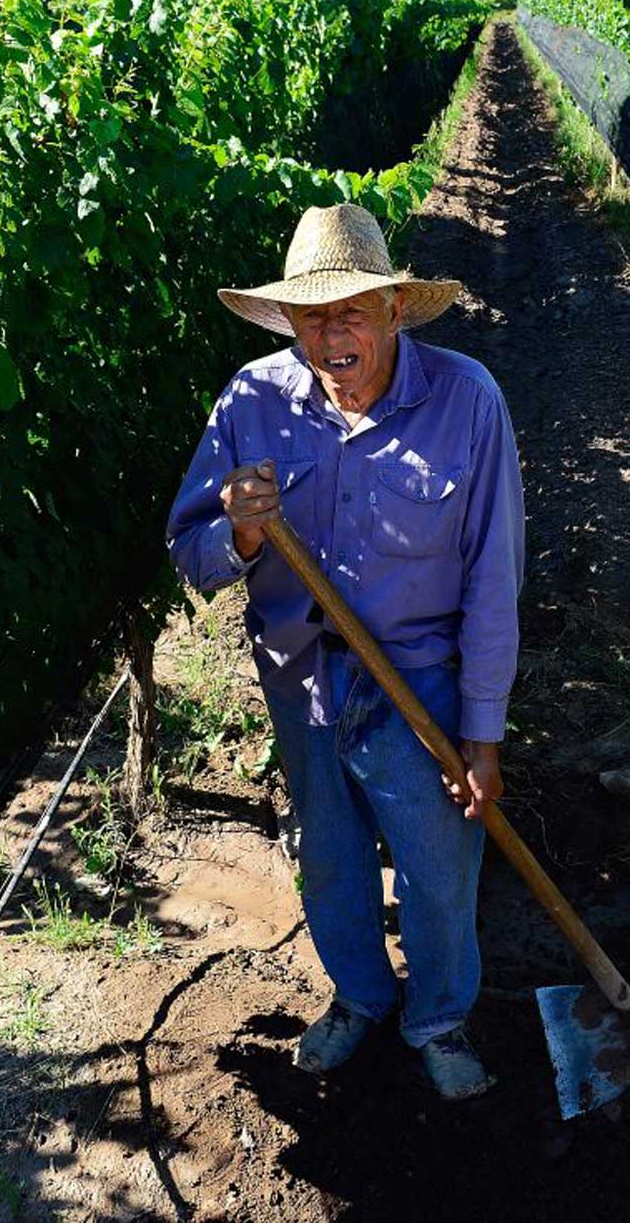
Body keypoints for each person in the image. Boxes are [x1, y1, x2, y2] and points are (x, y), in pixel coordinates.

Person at [165, 203, 525, 1101]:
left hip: (421, 686)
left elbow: (492, 580)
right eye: (312, 315)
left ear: (395, 309)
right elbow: (190, 552)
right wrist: (241, 538)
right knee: (329, 859)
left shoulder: (468, 403)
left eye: (352, 310)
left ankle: (439, 1020)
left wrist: (482, 733)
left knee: (440, 867)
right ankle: (359, 996)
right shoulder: (251, 403)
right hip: (301, 684)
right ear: (288, 320)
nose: (331, 335)